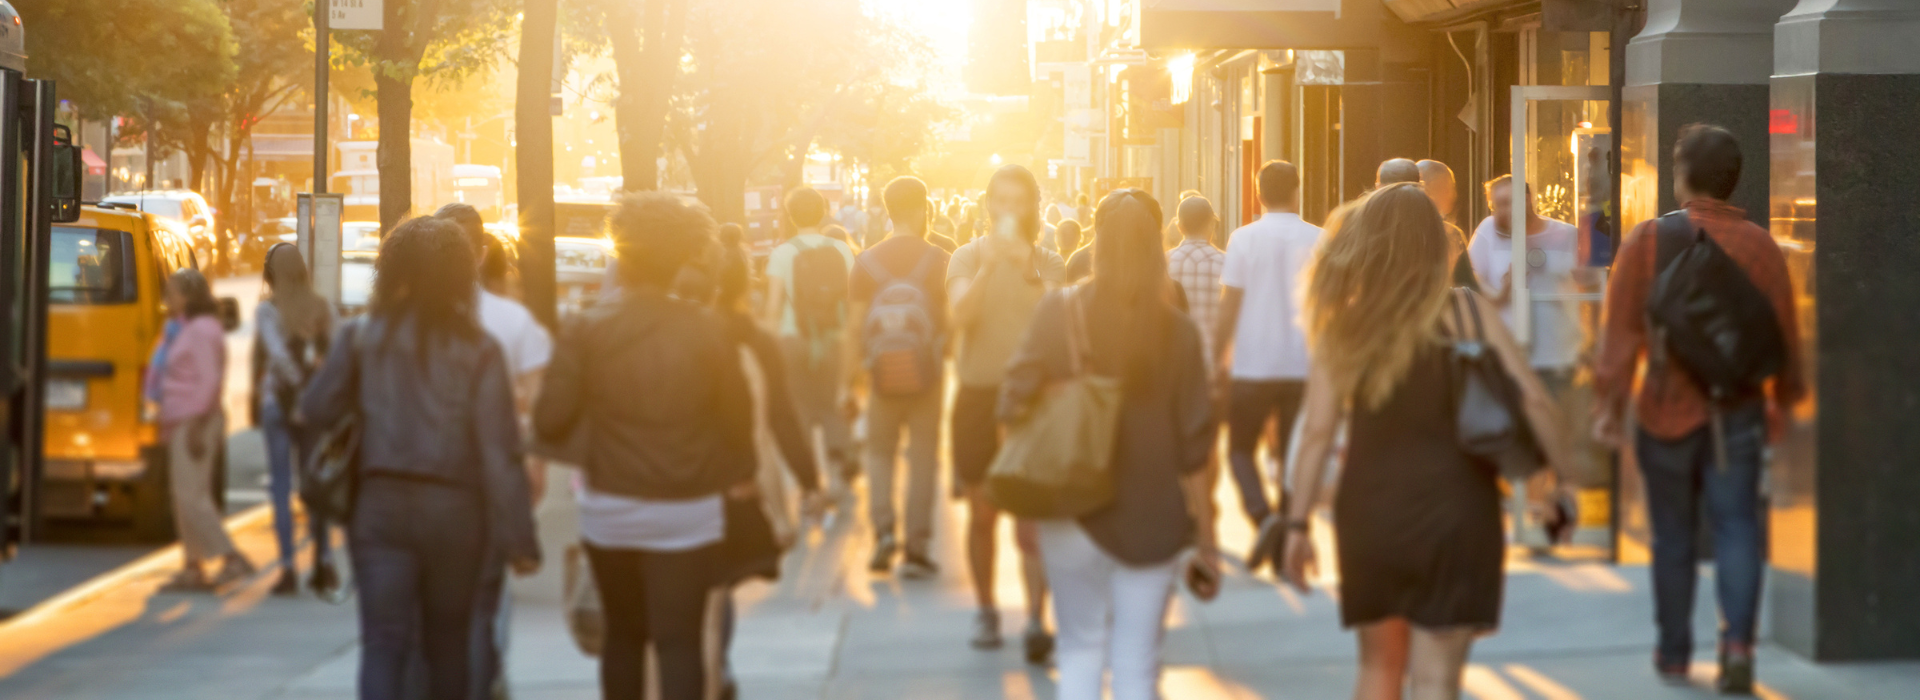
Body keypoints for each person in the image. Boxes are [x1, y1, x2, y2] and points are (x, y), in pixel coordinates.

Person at [1278, 183, 1573, 700]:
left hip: (1370, 513)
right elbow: (1533, 400)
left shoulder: (1346, 322)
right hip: (1457, 512)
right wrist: (1560, 481)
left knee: (1378, 668)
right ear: (1435, 245)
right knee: (1437, 680)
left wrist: (1297, 523)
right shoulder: (1467, 311)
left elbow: (1317, 433)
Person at [1593, 124, 1804, 694]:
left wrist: (1608, 402)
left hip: (1664, 407)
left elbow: (1619, 334)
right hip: (1735, 409)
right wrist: (1782, 400)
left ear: (1681, 175)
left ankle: (1675, 651)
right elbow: (1781, 334)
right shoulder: (1762, 246)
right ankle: (1737, 647)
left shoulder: (1647, 241)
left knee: (1673, 536)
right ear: (1733, 179)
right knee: (1738, 526)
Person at [301, 217, 540, 700]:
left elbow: (314, 409)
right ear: (460, 274)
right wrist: (519, 538)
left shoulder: (362, 337)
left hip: (380, 507)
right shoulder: (480, 349)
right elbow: (499, 451)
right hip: (456, 514)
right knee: (448, 643)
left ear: (393, 270)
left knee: (384, 643)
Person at [534, 193, 753, 700]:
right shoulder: (708, 330)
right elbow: (738, 423)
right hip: (690, 508)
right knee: (679, 640)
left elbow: (550, 416)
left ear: (622, 256)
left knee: (624, 638)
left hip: (612, 504)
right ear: (682, 259)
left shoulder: (586, 329)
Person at [1003, 189, 1219, 700]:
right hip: (1151, 517)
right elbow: (1195, 449)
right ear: (1156, 247)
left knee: (1079, 649)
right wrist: (1206, 535)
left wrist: (1023, 510)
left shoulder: (1059, 312)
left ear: (1097, 242)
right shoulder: (1179, 332)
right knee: (1137, 661)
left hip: (1069, 510)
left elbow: (1012, 402)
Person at [435, 201, 552, 699]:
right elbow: (534, 405)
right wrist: (535, 464)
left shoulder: (402, 319)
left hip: (425, 475)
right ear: (481, 252)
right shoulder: (511, 320)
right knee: (487, 594)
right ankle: (486, 679)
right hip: (491, 475)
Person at [947, 164, 1064, 659]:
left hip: (1033, 399)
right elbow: (959, 316)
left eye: (1019, 202)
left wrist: (1024, 270)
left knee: (1034, 515)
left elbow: (1062, 321)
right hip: (978, 395)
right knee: (981, 512)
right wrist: (992, 266)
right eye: (1002, 201)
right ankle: (987, 609)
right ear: (988, 205)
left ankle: (1037, 618)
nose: (1009, 211)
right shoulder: (965, 258)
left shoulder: (1049, 262)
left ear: (1032, 207)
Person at [846, 176, 950, 578]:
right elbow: (953, 320)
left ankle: (884, 532)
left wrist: (849, 380)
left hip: (881, 376)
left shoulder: (866, 263)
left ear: (888, 211)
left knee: (879, 453)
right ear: (924, 209)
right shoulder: (940, 259)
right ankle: (917, 545)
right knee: (923, 456)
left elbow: (854, 330)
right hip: (928, 375)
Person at [1211, 161, 1324, 529]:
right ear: (1297, 191)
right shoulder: (1319, 239)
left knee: (1241, 448)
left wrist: (1214, 355)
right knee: (1294, 454)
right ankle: (1292, 528)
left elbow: (1229, 304)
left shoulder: (1243, 239)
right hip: (1301, 363)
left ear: (1258, 194)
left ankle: (1261, 517)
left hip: (1252, 364)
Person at [152, 269, 252, 591]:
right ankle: (193, 565)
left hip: (196, 420)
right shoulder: (191, 328)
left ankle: (229, 557)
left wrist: (195, 423)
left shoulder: (201, 331)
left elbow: (209, 382)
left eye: (175, 292)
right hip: (185, 419)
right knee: (184, 496)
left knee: (191, 495)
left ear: (190, 296)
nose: (169, 298)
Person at [763, 188, 859, 500]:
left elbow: (774, 307)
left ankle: (810, 488)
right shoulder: (842, 250)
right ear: (822, 213)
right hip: (834, 338)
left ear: (790, 216)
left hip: (794, 339)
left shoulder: (782, 253)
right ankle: (838, 476)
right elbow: (852, 298)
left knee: (801, 410)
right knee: (831, 408)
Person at [253, 244, 336, 596]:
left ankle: (288, 568)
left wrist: (293, 387)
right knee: (315, 485)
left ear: (270, 274)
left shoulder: (268, 311)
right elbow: (336, 356)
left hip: (278, 404)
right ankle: (324, 562)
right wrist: (312, 393)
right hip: (313, 408)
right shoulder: (323, 307)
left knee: (281, 488)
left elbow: (274, 353)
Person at [1467, 176, 1584, 401]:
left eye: (1508, 202)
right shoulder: (1488, 231)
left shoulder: (1566, 234)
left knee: (1555, 421)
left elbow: (1588, 284)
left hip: (1556, 353)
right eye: (1496, 205)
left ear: (1528, 200)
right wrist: (1501, 293)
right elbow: (1471, 281)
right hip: (1507, 352)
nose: (1502, 211)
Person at [1167, 196, 1225, 360]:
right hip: (1215, 359)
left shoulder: (1163, 264)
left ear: (1179, 227)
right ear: (1212, 224)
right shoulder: (1227, 264)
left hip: (1176, 361)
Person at [1417, 160, 1480, 291]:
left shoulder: (1392, 231)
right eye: (1450, 187)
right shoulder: (1451, 234)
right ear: (1433, 188)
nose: (1454, 195)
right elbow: (1466, 284)